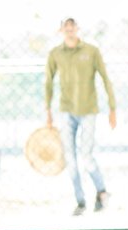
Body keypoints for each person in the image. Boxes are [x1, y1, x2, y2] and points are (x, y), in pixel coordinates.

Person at [45, 18, 116, 216]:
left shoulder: (91, 51)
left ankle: (101, 192)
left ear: (77, 29)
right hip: (66, 111)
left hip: (88, 110)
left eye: (72, 27)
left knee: (87, 155)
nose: (69, 31)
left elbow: (105, 78)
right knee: (70, 158)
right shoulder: (55, 53)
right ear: (61, 30)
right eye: (66, 28)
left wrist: (112, 108)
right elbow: (48, 82)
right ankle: (80, 201)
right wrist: (48, 111)